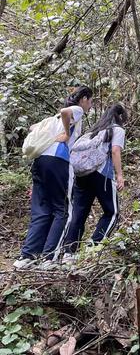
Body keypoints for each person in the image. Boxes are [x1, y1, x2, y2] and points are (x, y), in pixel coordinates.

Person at [13, 86, 93, 269]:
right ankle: (50, 258)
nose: (91, 105)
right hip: (59, 161)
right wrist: (66, 133)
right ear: (83, 99)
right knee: (63, 210)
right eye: (91, 101)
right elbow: (66, 112)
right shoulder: (77, 110)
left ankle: (27, 256)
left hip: (41, 161)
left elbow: (33, 127)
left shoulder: (51, 120)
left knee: (41, 209)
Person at [61, 104, 128, 263]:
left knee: (79, 212)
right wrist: (119, 176)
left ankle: (69, 253)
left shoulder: (93, 132)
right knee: (112, 212)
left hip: (82, 174)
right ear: (120, 117)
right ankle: (94, 247)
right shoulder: (117, 129)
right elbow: (115, 151)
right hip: (101, 173)